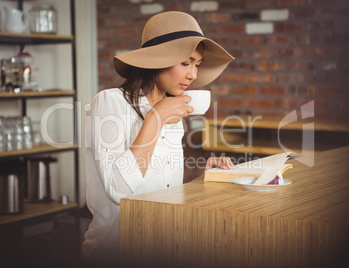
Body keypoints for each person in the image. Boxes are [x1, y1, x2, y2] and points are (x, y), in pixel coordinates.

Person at [81, 11, 234, 264]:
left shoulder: (172, 112)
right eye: (186, 63)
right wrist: (155, 119)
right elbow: (118, 190)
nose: (193, 75)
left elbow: (165, 193)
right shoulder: (109, 103)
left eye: (197, 64)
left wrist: (203, 183)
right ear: (157, 60)